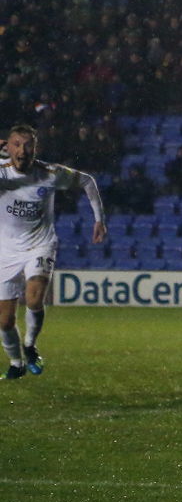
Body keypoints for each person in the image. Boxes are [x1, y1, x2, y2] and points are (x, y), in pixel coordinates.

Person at [0, 125, 107, 378]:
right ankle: (16, 364)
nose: (22, 150)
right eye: (17, 144)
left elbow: (88, 182)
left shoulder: (51, 174)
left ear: (36, 149)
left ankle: (30, 346)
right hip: (5, 250)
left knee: (34, 299)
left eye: (28, 145)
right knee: (4, 321)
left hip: (40, 244)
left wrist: (99, 219)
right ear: (9, 147)